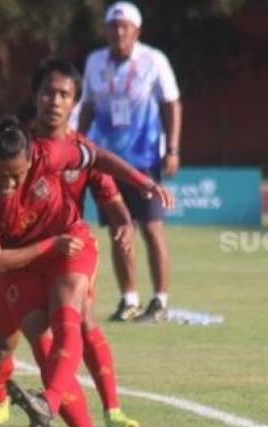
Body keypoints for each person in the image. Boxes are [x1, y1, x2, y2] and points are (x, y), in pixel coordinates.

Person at [0, 115, 171, 427]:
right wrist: (50, 245)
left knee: (69, 319)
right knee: (41, 347)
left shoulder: (48, 154)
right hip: (21, 263)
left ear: (30, 160)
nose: (8, 184)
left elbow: (97, 156)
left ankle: (50, 402)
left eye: (17, 176)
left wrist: (141, 181)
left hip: (71, 243)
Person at [0, 60, 140, 427]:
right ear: (35, 96)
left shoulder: (82, 151)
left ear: (75, 103)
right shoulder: (16, 142)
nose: (54, 100)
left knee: (80, 321)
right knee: (2, 341)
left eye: (64, 94)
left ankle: (107, 409)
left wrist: (124, 223)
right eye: (48, 92)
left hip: (66, 252)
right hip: (17, 254)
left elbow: (109, 195)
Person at [78, 2, 182, 323]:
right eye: (113, 26)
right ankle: (129, 299)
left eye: (125, 26)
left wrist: (173, 149)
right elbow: (88, 106)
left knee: (151, 229)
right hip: (108, 160)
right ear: (106, 30)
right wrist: (76, 143)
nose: (118, 31)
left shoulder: (154, 60)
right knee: (119, 231)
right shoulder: (95, 61)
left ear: (137, 30)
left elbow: (171, 103)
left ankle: (160, 301)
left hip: (146, 160)